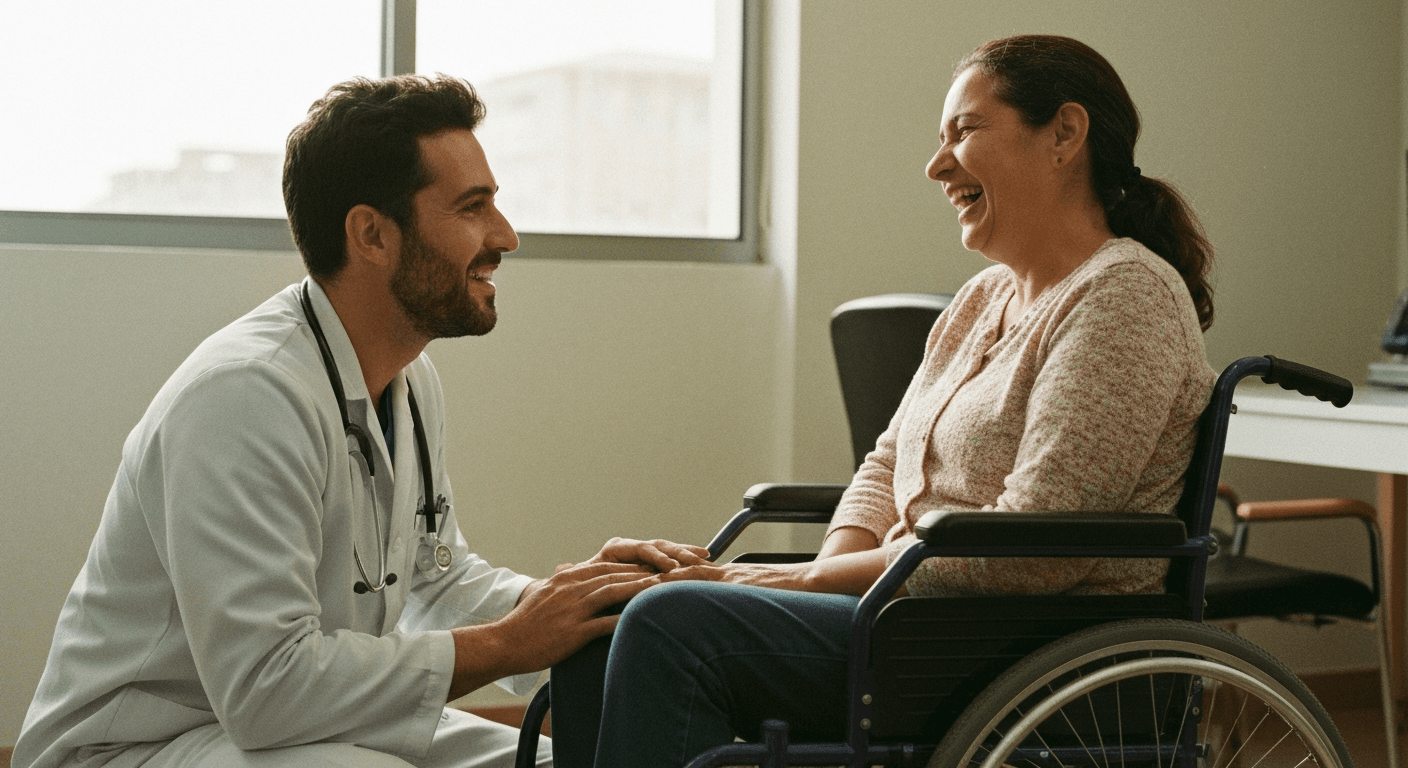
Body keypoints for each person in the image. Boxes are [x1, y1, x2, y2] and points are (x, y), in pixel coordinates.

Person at [548, 34, 1219, 767]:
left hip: (1020, 642)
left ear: (1064, 134)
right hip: (908, 621)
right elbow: (886, 463)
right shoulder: (982, 298)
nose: (937, 166)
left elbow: (1033, 552)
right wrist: (818, 587)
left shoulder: (1125, 296)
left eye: (964, 131)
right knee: (603, 619)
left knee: (670, 622)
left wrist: (798, 579)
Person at [13, 74, 712, 768]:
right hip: (136, 746)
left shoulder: (408, 379)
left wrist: (581, 605)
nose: (506, 235)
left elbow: (435, 579)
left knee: (551, 764)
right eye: (472, 208)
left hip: (295, 726)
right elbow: (265, 690)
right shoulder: (245, 394)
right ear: (372, 234)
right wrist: (510, 643)